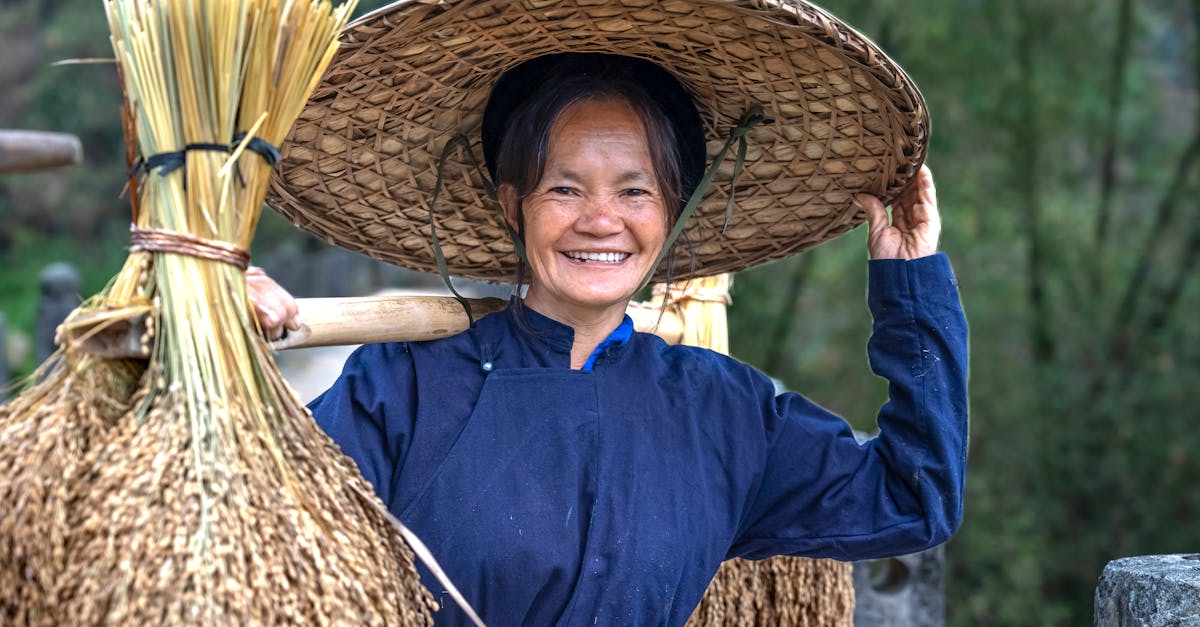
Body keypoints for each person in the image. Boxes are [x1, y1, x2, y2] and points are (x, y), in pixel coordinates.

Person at [254, 3, 968, 625]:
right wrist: (240, 348)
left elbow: (914, 495)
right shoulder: (401, 392)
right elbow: (263, 527)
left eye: (634, 192)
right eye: (565, 188)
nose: (601, 221)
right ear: (515, 206)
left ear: (670, 214)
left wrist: (909, 286)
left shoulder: (723, 412)